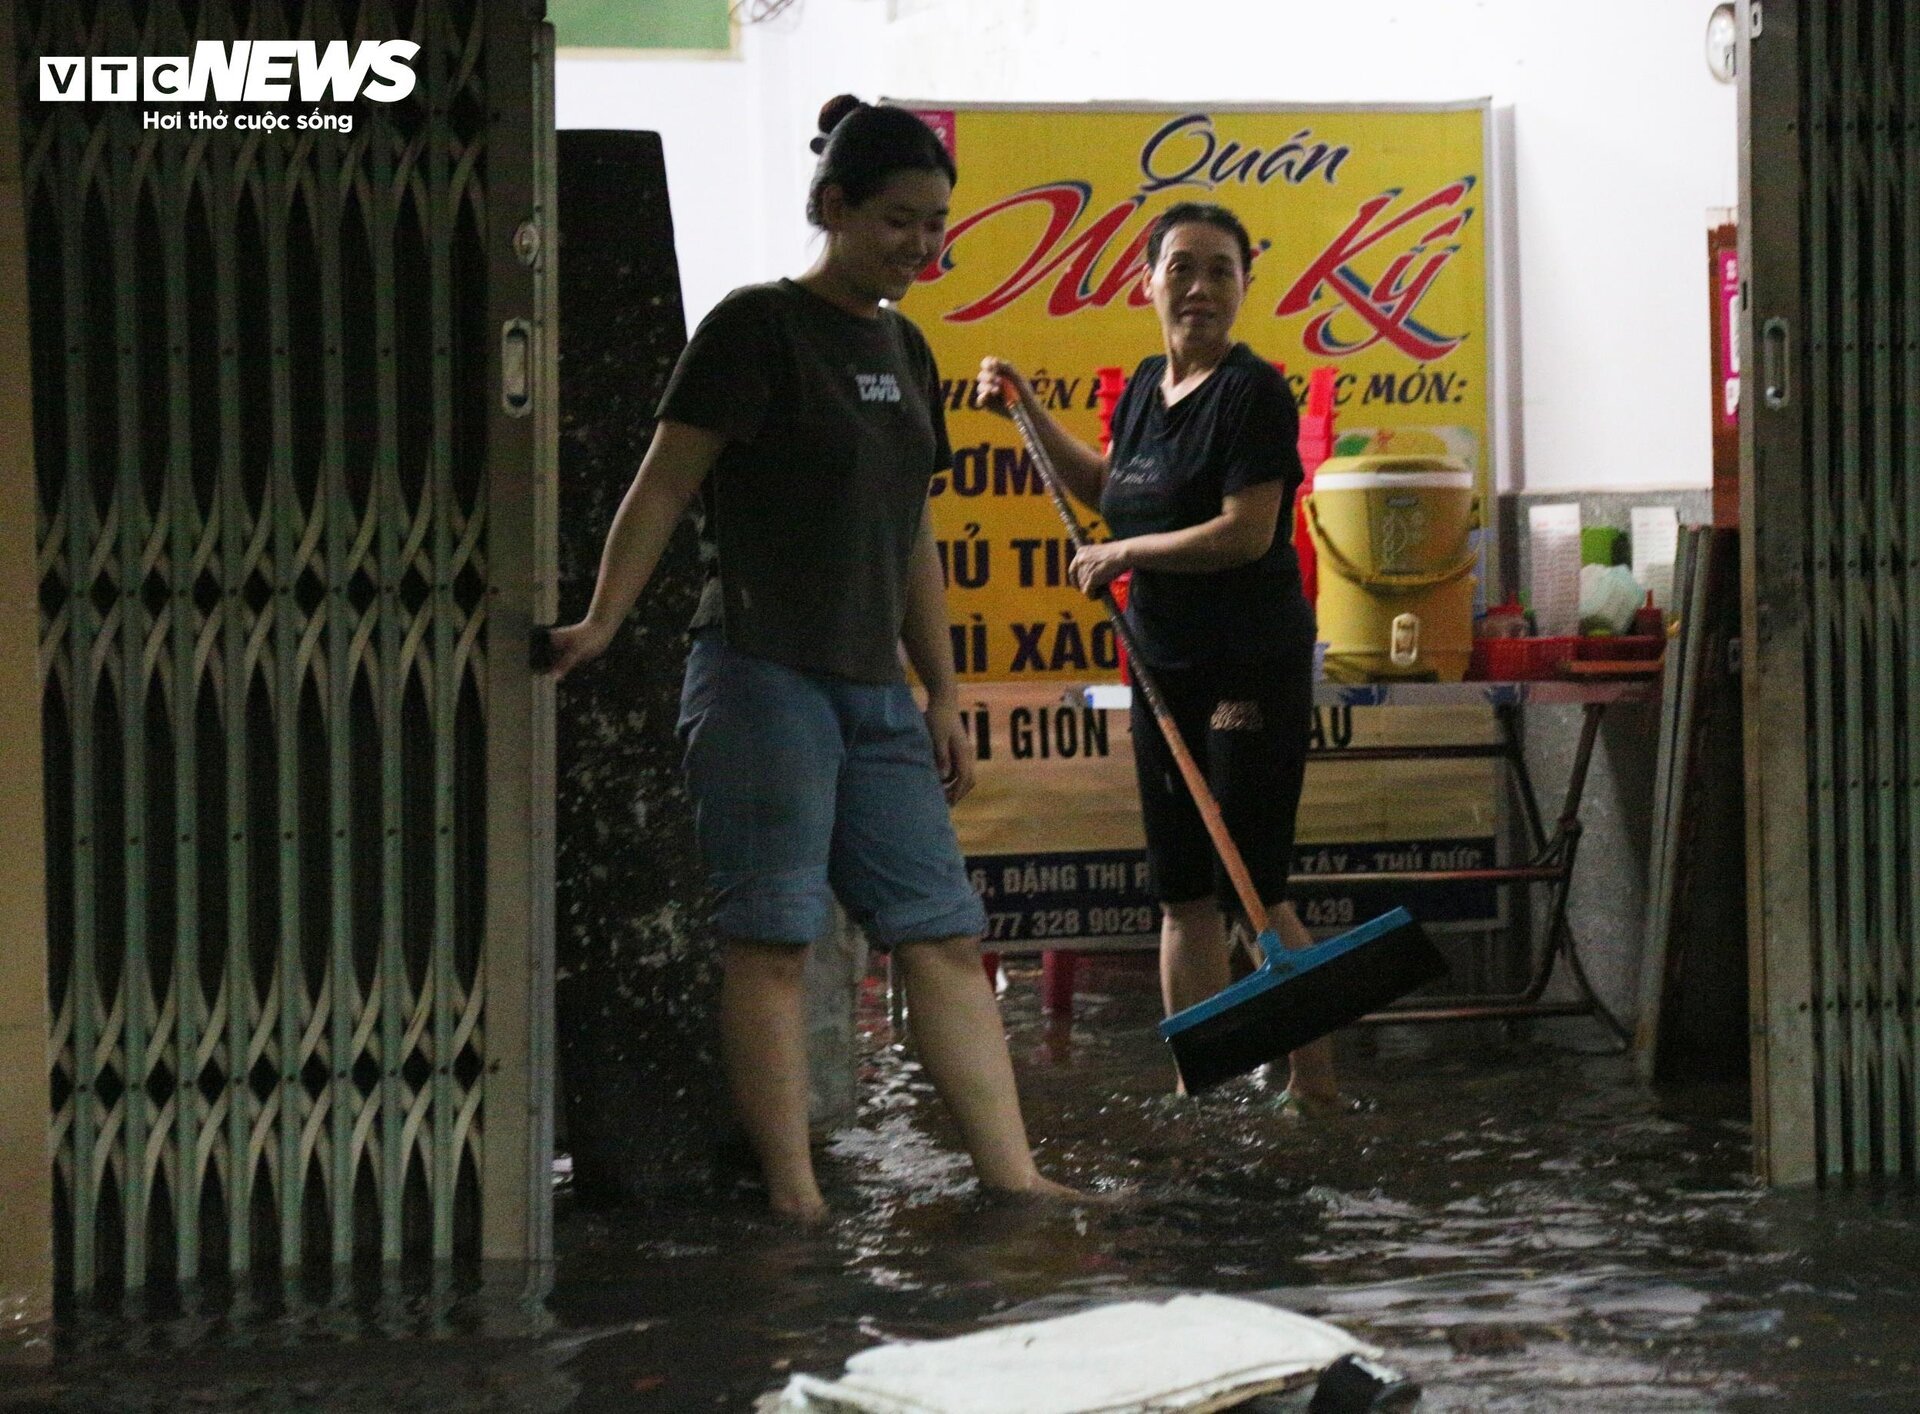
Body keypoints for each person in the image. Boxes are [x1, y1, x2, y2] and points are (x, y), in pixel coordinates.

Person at [545, 95, 1079, 1220]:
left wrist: (943, 689)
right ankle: (796, 1199)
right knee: (773, 937)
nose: (922, 244)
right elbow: (663, 483)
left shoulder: (909, 344)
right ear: (831, 206)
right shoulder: (757, 328)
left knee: (941, 931)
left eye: (935, 223)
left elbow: (911, 527)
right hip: (760, 672)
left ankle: (1016, 1178)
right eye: (898, 220)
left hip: (875, 693)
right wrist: (600, 622)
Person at [975, 202, 1337, 1106]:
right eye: (1183, 268)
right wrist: (1027, 409)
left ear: (1246, 287)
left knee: (1250, 876)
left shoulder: (1253, 393)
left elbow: (1247, 534)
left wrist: (1125, 556)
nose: (1202, 288)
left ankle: (1316, 1088)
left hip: (1244, 670)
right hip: (1164, 664)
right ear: (1149, 282)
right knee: (1179, 888)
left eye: (1222, 269)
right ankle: (1201, 1086)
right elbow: (1112, 489)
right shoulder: (1144, 387)